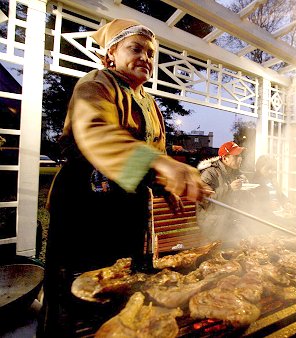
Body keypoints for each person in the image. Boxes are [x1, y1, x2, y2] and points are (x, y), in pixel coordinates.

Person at [37, 19, 208, 337]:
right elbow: (96, 131)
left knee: (123, 288)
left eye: (151, 53)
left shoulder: (150, 103)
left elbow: (155, 159)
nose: (146, 57)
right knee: (79, 291)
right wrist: (162, 165)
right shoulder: (96, 83)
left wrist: (172, 186)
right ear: (110, 55)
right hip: (85, 205)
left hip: (127, 211)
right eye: (135, 48)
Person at [196, 141, 249, 245]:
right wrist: (229, 188)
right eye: (236, 156)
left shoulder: (234, 172)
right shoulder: (209, 173)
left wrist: (245, 186)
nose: (240, 159)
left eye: (241, 156)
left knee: (248, 238)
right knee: (237, 242)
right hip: (213, 223)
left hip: (229, 219)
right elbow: (203, 200)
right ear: (225, 158)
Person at [249, 155, 296, 233]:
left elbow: (280, 195)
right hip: (265, 217)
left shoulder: (272, 180)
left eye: (272, 169)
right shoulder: (254, 182)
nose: (270, 172)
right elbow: (252, 203)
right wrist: (268, 205)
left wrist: (287, 203)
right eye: (267, 169)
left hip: (278, 214)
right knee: (294, 228)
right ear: (259, 168)